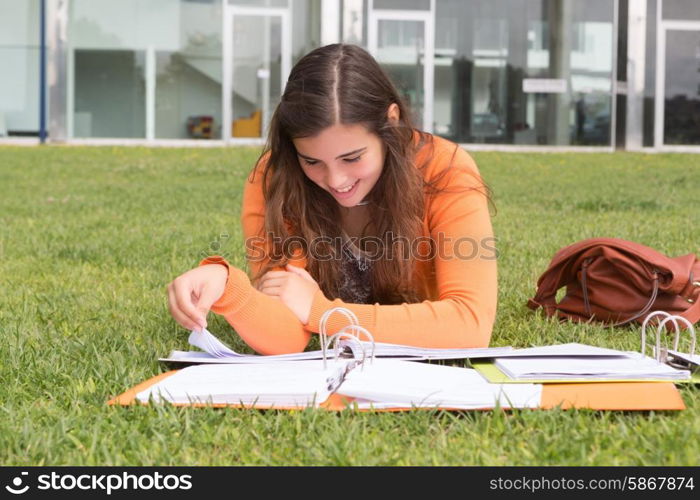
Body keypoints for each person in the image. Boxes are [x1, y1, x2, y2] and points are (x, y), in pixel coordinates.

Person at [167, 44, 497, 355]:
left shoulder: (445, 168)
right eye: (312, 161)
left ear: (391, 122)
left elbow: (470, 325)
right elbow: (288, 334)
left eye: (352, 158)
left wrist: (323, 312)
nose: (336, 181)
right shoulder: (276, 177)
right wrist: (229, 288)